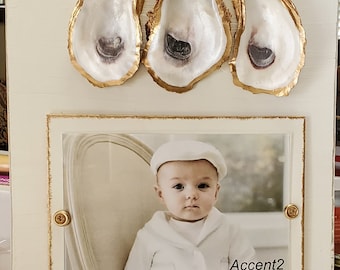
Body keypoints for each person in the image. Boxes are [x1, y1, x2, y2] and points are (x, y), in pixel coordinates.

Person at [124, 140, 256, 270]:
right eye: (178, 186)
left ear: (215, 192)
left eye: (202, 186)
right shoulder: (150, 236)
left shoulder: (230, 231)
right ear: (161, 194)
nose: (191, 194)